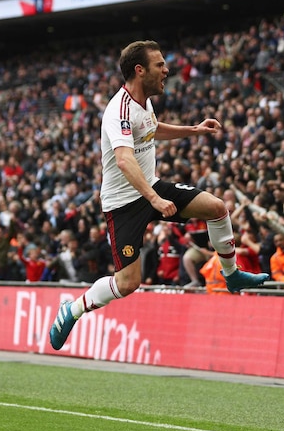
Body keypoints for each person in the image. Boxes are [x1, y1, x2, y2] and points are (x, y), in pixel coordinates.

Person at [49, 40, 268, 350]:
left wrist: (193, 130)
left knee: (217, 208)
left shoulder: (144, 104)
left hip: (150, 186)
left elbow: (151, 129)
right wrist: (153, 199)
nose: (167, 70)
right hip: (123, 204)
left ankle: (231, 275)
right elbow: (124, 159)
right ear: (140, 70)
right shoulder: (118, 110)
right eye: (160, 65)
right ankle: (71, 312)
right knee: (128, 283)